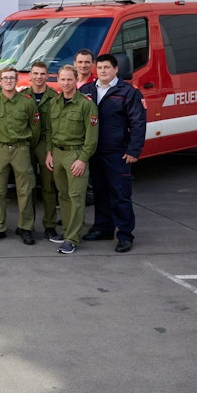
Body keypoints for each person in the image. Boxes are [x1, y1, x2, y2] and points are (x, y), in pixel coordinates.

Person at [80, 53, 146, 253]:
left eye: (107, 68)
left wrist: (134, 150)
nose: (103, 71)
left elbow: (138, 122)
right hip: (95, 151)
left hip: (118, 153)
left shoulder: (128, 92)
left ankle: (125, 234)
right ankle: (103, 228)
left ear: (116, 69)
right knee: (100, 192)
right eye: (99, 68)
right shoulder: (87, 90)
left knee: (120, 194)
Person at [44, 64, 98, 254]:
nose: (66, 83)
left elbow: (91, 137)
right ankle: (66, 230)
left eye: (69, 79)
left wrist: (82, 159)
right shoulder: (55, 102)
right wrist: (49, 152)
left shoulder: (86, 104)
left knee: (76, 197)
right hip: (57, 154)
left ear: (76, 80)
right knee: (64, 195)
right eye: (63, 79)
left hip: (75, 155)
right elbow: (50, 130)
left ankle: (73, 239)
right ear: (58, 80)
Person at [0, 66, 40, 245]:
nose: (8, 81)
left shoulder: (27, 102)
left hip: (21, 149)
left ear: (17, 81)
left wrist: (25, 146)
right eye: (5, 78)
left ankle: (25, 227)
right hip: (0, 149)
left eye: (12, 78)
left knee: (25, 190)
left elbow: (35, 129)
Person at [20, 61, 61, 239]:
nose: (38, 77)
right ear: (30, 76)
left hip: (45, 143)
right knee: (26, 187)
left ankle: (50, 225)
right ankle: (26, 226)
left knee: (48, 187)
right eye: (35, 74)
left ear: (47, 76)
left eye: (42, 74)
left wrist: (50, 151)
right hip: (26, 144)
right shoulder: (21, 97)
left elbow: (56, 126)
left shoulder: (55, 98)